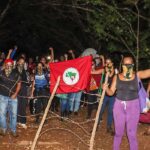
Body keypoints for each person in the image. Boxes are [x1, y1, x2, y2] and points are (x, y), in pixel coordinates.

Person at [103, 55, 150, 150]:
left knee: (131, 133)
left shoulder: (137, 75)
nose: (127, 65)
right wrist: (106, 88)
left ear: (133, 64)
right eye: (125, 63)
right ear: (122, 64)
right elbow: (111, 92)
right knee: (118, 133)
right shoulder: (117, 77)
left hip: (133, 107)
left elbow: (148, 72)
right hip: (118, 107)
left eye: (129, 64)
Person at [0, 59, 21, 137]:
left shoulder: (16, 74)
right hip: (2, 96)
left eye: (10, 65)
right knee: (2, 114)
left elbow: (19, 84)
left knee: (14, 114)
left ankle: (13, 130)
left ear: (13, 65)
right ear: (5, 65)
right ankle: (3, 129)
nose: (9, 66)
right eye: (7, 64)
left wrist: (15, 93)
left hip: (13, 97)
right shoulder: (1, 73)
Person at [98, 57, 116, 135]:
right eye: (106, 62)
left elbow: (113, 76)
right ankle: (96, 126)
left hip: (113, 96)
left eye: (109, 62)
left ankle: (109, 127)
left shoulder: (116, 72)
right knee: (100, 110)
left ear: (112, 63)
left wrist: (109, 72)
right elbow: (100, 79)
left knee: (110, 111)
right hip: (104, 95)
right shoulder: (104, 71)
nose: (107, 64)